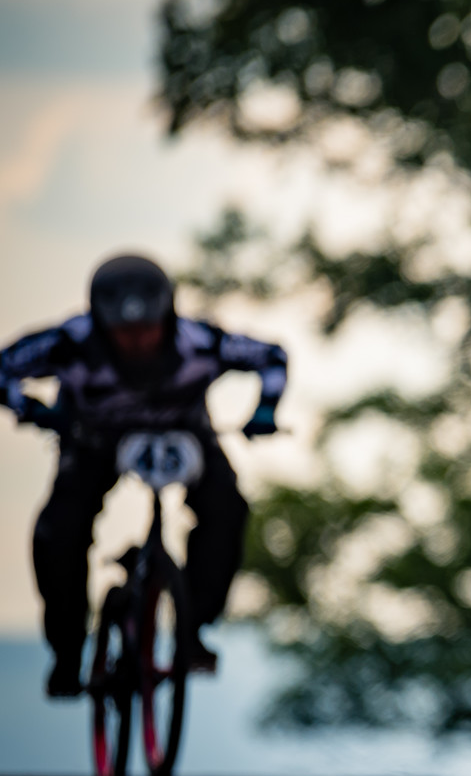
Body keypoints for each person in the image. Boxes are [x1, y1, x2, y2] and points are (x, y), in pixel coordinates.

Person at [0, 254, 287, 696]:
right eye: (123, 331)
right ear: (100, 324)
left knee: (227, 510)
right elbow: (5, 367)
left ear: (166, 317)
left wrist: (265, 409)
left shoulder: (200, 342)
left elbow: (272, 358)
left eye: (147, 328)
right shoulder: (68, 343)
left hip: (185, 434)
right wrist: (30, 408)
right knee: (58, 533)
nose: (136, 341)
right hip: (92, 440)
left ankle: (193, 628)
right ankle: (68, 651)